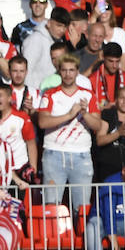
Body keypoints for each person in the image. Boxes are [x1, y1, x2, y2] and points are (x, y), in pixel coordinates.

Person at [37, 56, 106, 213]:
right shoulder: (50, 94)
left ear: (77, 72)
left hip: (81, 154)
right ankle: (53, 237)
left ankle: (82, 237)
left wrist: (85, 113)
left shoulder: (88, 95)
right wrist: (69, 115)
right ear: (59, 72)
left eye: (71, 70)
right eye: (64, 70)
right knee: (52, 205)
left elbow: (98, 125)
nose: (68, 74)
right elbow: (42, 122)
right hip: (54, 153)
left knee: (81, 208)